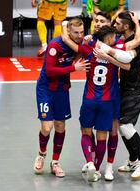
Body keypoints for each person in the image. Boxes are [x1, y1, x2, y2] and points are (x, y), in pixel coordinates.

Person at [62, 24, 130, 182]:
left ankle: (90, 162)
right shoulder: (114, 55)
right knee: (102, 137)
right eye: (113, 37)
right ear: (108, 39)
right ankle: (97, 169)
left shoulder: (88, 50)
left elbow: (67, 40)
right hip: (107, 101)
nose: (115, 38)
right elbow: (127, 63)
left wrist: (65, 25)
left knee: (85, 132)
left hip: (89, 99)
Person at [33, 17, 90, 178]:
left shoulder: (78, 46)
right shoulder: (55, 45)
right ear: (68, 32)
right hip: (45, 89)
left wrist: (82, 48)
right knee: (46, 127)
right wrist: (74, 68)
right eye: (76, 32)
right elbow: (50, 70)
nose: (79, 35)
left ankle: (55, 162)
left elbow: (81, 54)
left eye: (81, 32)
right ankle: (41, 154)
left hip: (62, 89)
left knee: (60, 126)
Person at [99, 11, 140, 181]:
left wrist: (107, 55)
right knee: (121, 126)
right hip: (125, 87)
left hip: (135, 88)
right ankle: (133, 160)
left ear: (126, 26)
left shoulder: (136, 44)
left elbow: (127, 65)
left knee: (125, 125)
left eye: (118, 23)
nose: (114, 26)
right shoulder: (125, 39)